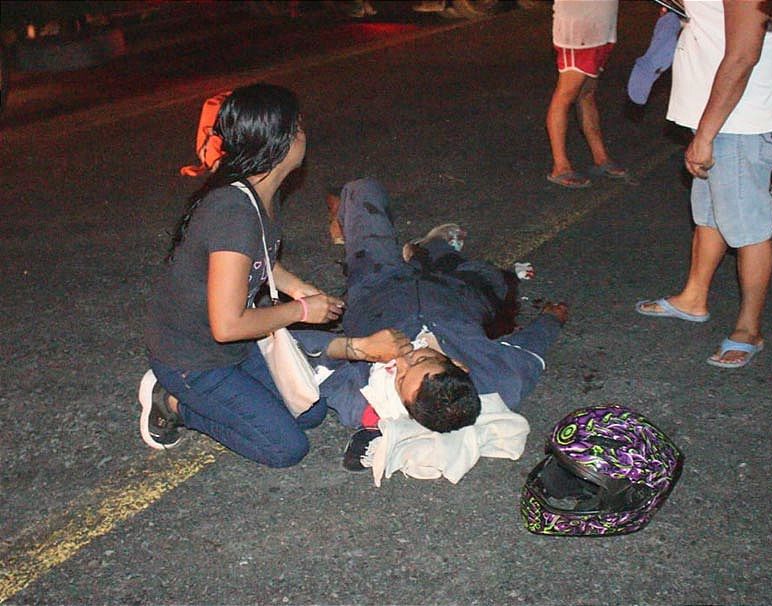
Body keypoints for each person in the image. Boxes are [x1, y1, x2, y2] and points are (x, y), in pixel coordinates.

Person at [141, 83, 411, 467]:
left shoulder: (259, 191)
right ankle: (171, 402)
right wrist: (301, 311)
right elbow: (227, 324)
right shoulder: (234, 213)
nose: (305, 136)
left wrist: (296, 287)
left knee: (311, 412)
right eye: (298, 128)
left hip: (232, 348)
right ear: (280, 142)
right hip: (192, 358)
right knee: (285, 448)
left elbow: (258, 258)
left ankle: (214, 396)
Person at [293, 178, 568, 467]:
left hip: (378, 285)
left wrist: (357, 348)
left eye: (401, 377)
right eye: (421, 358)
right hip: (457, 289)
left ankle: (352, 225)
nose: (402, 360)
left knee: (362, 191)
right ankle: (431, 248)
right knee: (493, 278)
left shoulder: (364, 399)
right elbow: (530, 351)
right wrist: (552, 318)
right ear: (460, 367)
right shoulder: (498, 379)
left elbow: (297, 351)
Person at [636, 0, 772, 368]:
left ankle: (749, 329)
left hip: (739, 120)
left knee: (748, 229)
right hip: (725, 114)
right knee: (711, 213)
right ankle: (694, 297)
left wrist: (706, 134)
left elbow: (743, 56)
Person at [545, 0, 628, 189]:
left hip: (601, 27)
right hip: (577, 30)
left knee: (587, 93)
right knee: (565, 95)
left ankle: (601, 157)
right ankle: (560, 165)